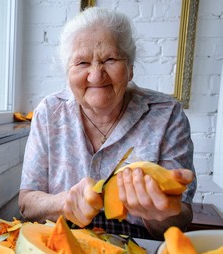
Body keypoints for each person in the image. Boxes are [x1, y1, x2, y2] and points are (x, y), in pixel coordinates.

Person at [18, 7, 196, 240]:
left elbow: (180, 219)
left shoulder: (167, 115)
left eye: (110, 59)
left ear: (130, 68)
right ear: (67, 72)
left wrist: (158, 214)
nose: (96, 75)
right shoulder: (49, 113)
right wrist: (64, 203)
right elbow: (26, 204)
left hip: (140, 243)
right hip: (61, 240)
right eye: (82, 63)